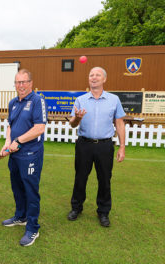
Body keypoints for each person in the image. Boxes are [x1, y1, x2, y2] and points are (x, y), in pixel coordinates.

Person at [67, 66, 125, 227]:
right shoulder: (81, 100)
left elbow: (119, 124)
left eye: (97, 75)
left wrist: (122, 147)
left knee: (105, 179)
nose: (94, 77)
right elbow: (72, 125)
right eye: (91, 75)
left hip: (105, 146)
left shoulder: (114, 100)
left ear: (104, 79)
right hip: (84, 144)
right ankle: (76, 208)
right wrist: (77, 119)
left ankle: (103, 212)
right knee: (80, 178)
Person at [0, 69, 47, 247]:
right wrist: (7, 142)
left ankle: (33, 227)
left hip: (31, 154)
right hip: (14, 155)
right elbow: (10, 126)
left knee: (30, 190)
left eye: (24, 82)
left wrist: (18, 141)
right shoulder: (13, 103)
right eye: (18, 82)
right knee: (17, 187)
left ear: (31, 83)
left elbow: (39, 128)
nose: (21, 86)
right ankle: (21, 216)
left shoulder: (37, 100)